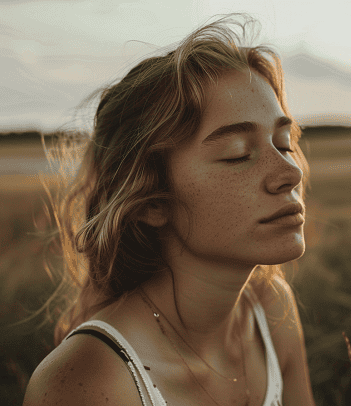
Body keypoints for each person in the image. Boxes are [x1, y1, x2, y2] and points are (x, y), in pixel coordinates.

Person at [22, 14, 315, 406]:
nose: (290, 172)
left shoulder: (271, 310)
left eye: (283, 143)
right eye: (238, 155)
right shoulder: (86, 381)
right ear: (153, 202)